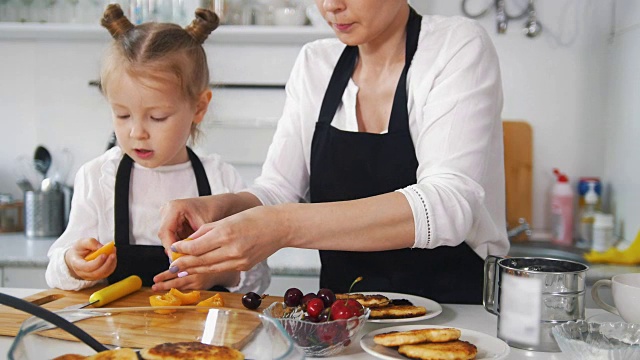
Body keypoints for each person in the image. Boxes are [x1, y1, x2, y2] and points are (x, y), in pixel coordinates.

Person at [157, 0, 508, 304]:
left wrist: (282, 226)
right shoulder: (315, 63)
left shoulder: (454, 47)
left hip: (458, 316)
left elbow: (447, 204)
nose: (330, 6)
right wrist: (219, 207)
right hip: (342, 318)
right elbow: (278, 190)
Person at [45, 4, 269, 294]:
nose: (137, 132)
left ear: (198, 107)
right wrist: (73, 265)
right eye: (122, 115)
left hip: (199, 337)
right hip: (116, 336)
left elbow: (260, 277)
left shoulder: (221, 180)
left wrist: (217, 276)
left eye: (157, 117)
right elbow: (54, 270)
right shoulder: (98, 177)